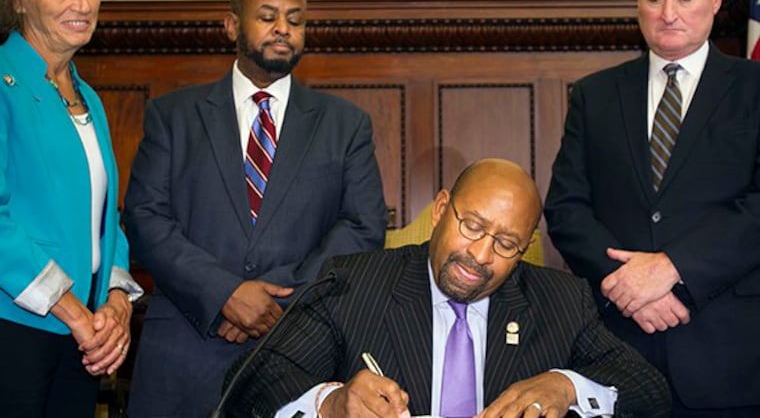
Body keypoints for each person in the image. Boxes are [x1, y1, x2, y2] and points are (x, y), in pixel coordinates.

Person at [122, 0, 387, 417]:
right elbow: (146, 220)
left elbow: (363, 228)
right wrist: (224, 292)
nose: (283, 28)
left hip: (296, 348)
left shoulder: (346, 124)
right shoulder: (173, 115)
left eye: (295, 19)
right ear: (231, 26)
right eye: (267, 16)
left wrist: (277, 298)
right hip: (185, 349)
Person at [223, 158, 671, 418]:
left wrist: (567, 386)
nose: (480, 255)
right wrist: (332, 403)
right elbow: (251, 382)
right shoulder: (353, 284)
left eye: (506, 243)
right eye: (472, 226)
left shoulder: (560, 300)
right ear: (440, 210)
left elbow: (649, 392)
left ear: (526, 248)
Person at [545, 0, 760, 418]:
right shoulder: (595, 96)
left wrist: (673, 267)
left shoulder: (753, 89)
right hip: (620, 350)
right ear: (637, 0)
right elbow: (566, 208)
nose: (668, 13)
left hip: (731, 356)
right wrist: (625, 285)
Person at [0, 0, 143, 418]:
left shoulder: (90, 99)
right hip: (15, 328)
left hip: (82, 333)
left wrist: (117, 306)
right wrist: (73, 310)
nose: (82, 5)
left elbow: (107, 219)